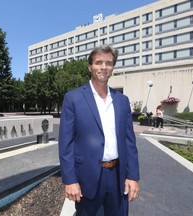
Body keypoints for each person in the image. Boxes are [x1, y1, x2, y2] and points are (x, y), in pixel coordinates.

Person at [58, 45, 140, 216]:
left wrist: (133, 176)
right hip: (87, 177)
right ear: (90, 67)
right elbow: (66, 143)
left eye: (108, 63)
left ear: (112, 68)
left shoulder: (122, 100)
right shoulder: (73, 98)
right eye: (99, 62)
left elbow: (129, 141)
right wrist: (70, 180)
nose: (104, 67)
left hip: (118, 177)